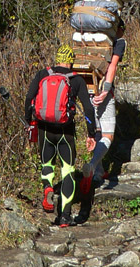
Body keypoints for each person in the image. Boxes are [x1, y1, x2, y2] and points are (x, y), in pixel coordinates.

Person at [24, 44, 96, 227]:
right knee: (68, 171)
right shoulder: (76, 80)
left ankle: (48, 187)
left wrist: (29, 122)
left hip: (44, 129)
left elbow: (29, 98)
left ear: (57, 58)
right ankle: (65, 216)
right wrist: (91, 133)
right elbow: (88, 109)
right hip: (66, 132)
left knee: (47, 164)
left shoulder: (43, 74)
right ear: (70, 61)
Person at [76, 19, 127, 224]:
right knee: (107, 135)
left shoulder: (86, 39)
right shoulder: (118, 42)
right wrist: (106, 90)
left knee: (96, 132)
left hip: (85, 89)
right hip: (102, 92)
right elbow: (112, 66)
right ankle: (92, 166)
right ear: (117, 28)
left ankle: (98, 173)